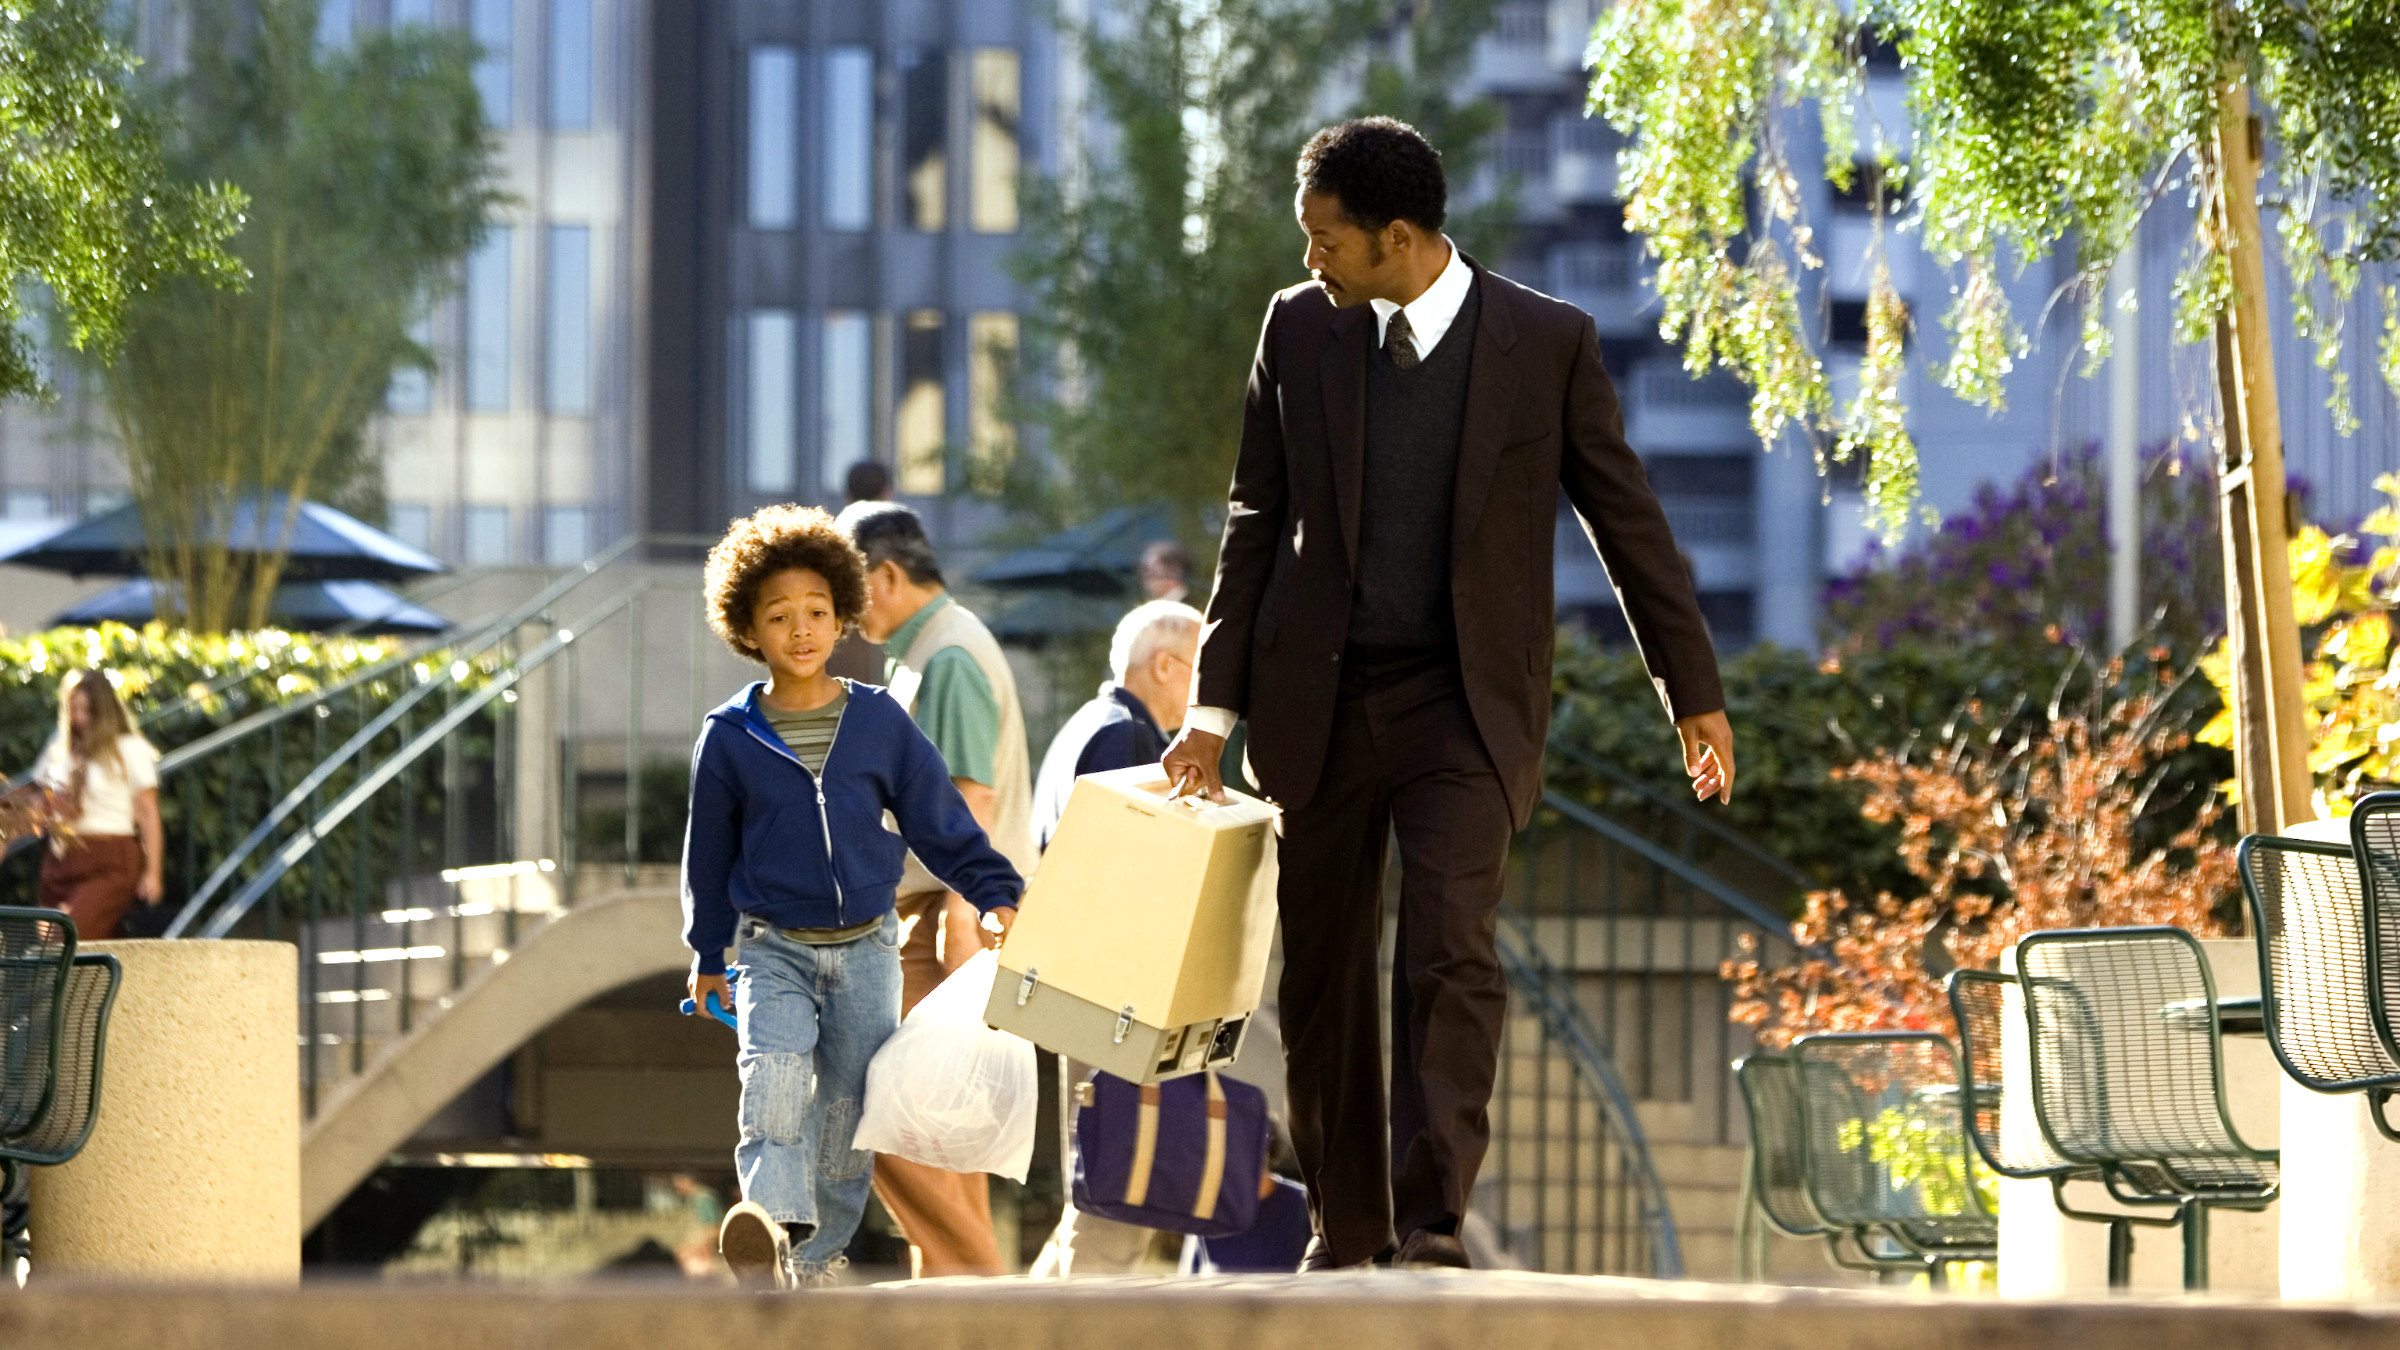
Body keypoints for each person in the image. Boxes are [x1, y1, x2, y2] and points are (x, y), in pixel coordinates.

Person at [1162, 118, 1736, 1272]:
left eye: (1327, 238)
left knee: (1448, 949)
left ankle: (1430, 1225)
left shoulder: (1547, 343)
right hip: (1317, 701)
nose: (1311, 257)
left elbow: (1628, 526)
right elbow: (1254, 521)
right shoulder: (1298, 329)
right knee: (1322, 969)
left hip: (1466, 708)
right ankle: (1348, 1225)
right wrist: (1211, 712)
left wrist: (1693, 692)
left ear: (1402, 237)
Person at [681, 504, 1024, 1290]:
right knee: (770, 1077)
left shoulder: (879, 723)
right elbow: (707, 857)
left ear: (842, 618)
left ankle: (816, 1258)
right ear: (748, 629)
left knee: (846, 1114)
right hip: (775, 949)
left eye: (816, 613)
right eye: (779, 617)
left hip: (869, 948)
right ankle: (768, 1224)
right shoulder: (729, 736)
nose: (800, 630)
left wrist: (996, 891)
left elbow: (940, 821)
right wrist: (706, 954)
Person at [834, 500, 1039, 1278]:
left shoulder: (947, 654)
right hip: (941, 913)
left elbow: (967, 804)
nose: (845, 616)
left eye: (849, 593)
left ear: (885, 575)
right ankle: (964, 1310)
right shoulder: (931, 649)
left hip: (942, 917)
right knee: (942, 1130)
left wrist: (962, 925)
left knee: (875, 1103)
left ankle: (984, 1293)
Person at [1026, 600, 1201, 1277]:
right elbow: (1125, 873)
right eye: (1202, 674)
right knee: (1122, 1188)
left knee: (1101, 1183)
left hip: (1078, 980)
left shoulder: (1085, 726)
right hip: (1111, 989)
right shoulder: (1128, 737)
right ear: (1165, 666)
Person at [1031, 599, 1201, 848]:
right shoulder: (1124, 733)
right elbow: (1125, 853)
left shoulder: (1091, 719)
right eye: (1200, 670)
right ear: (1164, 665)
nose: (1208, 686)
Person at [32, 669, 164, 940]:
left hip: (109, 859)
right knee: (65, 948)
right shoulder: (60, 748)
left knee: (66, 939)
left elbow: (148, 813)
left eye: (87, 710)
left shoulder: (129, 748)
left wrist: (153, 873)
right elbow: (39, 798)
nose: (80, 718)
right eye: (74, 709)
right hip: (61, 860)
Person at [825, 460, 895, 684]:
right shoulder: (901, 545)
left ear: (847, 495)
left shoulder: (831, 540)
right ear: (886, 494)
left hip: (838, 655)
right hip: (888, 657)